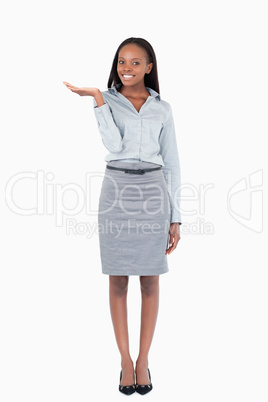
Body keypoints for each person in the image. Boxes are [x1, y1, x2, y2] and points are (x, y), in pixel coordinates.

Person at [63, 37, 182, 396]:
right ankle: (125, 360)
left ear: (149, 67)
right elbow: (114, 146)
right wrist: (99, 99)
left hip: (153, 192)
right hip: (116, 191)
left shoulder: (164, 109)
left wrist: (176, 217)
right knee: (117, 281)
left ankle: (144, 359)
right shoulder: (109, 101)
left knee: (150, 280)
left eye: (134, 63)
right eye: (121, 62)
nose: (126, 69)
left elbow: (173, 164)